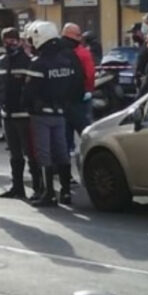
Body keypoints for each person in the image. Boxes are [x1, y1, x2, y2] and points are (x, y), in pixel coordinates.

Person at [24, 22, 84, 207]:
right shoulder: (68, 59)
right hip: (61, 113)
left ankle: (48, 193)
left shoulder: (38, 63)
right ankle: (66, 193)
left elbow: (29, 92)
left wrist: (29, 107)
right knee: (62, 152)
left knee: (44, 154)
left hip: (41, 115)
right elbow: (78, 85)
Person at [0, 28, 42, 201]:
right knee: (14, 154)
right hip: (7, 115)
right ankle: (17, 188)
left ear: (20, 41)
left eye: (14, 40)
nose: (10, 43)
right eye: (7, 40)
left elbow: (33, 89)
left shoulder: (28, 61)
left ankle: (38, 188)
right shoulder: (2, 61)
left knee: (31, 153)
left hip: (25, 116)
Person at [61, 23, 95, 183]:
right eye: (77, 35)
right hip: (79, 101)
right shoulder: (82, 53)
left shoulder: (58, 52)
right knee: (87, 136)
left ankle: (65, 175)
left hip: (62, 101)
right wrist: (87, 91)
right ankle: (88, 173)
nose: (80, 38)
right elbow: (89, 75)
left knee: (64, 140)